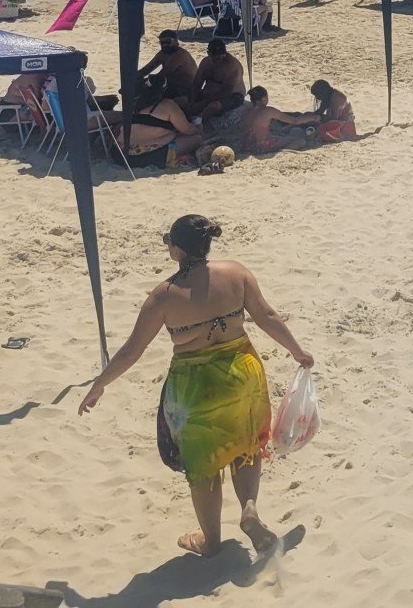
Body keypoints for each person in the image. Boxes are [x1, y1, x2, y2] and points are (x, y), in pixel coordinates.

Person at [77, 214, 312, 557]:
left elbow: (132, 350)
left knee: (203, 466)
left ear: (176, 249)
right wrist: (297, 351)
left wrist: (100, 384)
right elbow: (268, 317)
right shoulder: (237, 273)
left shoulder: (165, 295)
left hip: (195, 387)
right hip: (243, 373)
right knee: (245, 446)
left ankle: (211, 541)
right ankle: (249, 511)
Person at [192, 39, 247, 120]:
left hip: (233, 95)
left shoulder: (232, 65)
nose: (220, 58)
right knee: (184, 101)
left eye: (222, 55)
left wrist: (204, 103)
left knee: (213, 106)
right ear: (209, 54)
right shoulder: (205, 63)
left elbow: (226, 91)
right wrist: (192, 100)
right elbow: (197, 84)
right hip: (209, 93)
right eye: (216, 56)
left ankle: (197, 121)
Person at [140, 30, 199, 105]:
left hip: (186, 91)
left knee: (149, 91)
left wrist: (140, 84)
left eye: (168, 42)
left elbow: (160, 76)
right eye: (162, 43)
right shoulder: (163, 53)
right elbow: (146, 69)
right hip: (172, 86)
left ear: (176, 41)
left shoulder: (180, 55)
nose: (165, 45)